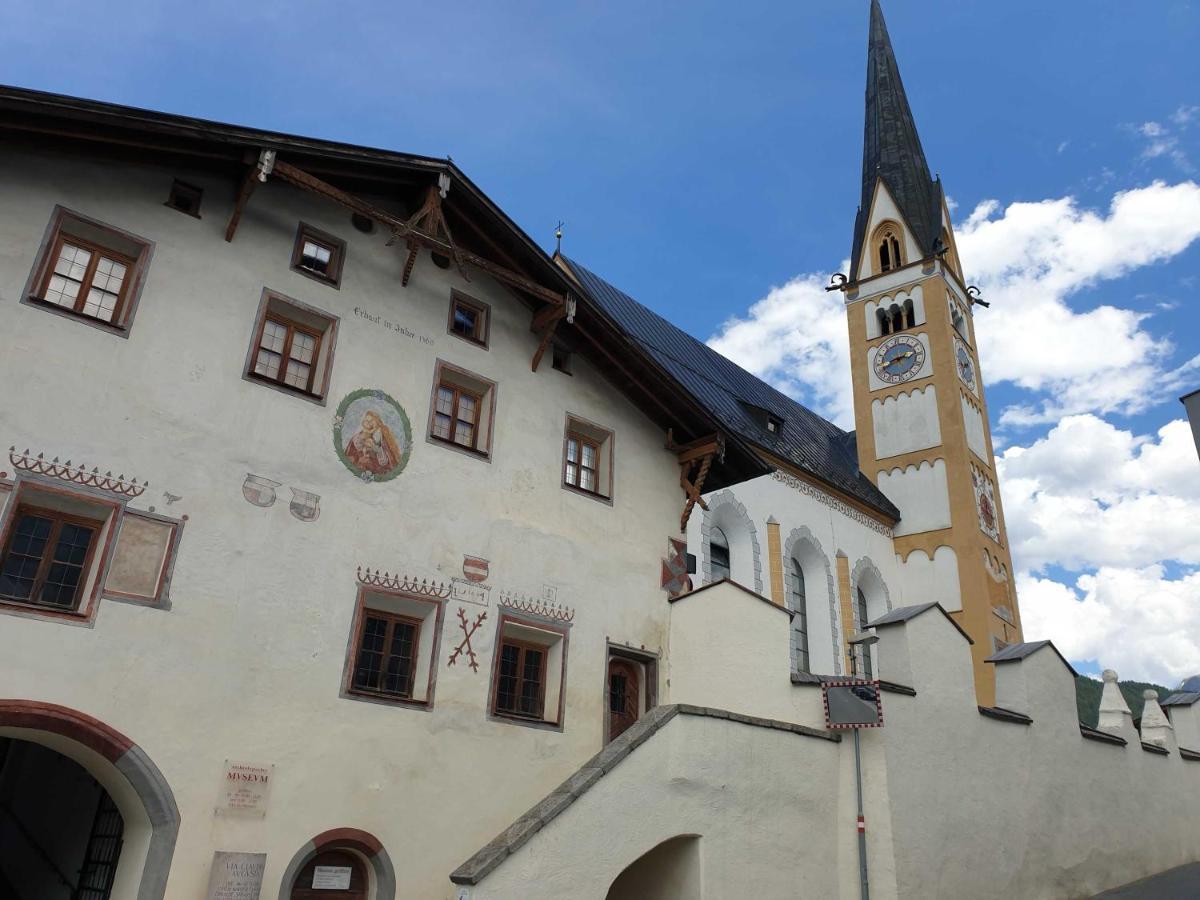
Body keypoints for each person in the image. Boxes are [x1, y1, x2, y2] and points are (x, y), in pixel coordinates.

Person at [345, 410, 402, 475]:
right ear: (363, 423)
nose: (368, 423)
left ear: (377, 423)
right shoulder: (357, 438)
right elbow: (348, 458)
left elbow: (390, 462)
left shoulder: (382, 437)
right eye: (366, 421)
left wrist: (376, 450)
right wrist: (359, 461)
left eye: (371, 421)